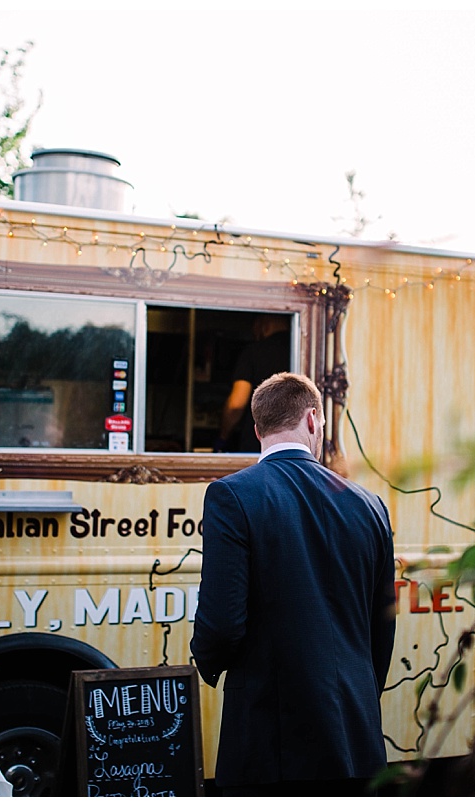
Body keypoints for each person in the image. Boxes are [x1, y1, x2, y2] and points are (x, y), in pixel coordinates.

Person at [191, 372, 396, 796]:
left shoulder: (232, 496)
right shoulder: (370, 505)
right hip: (354, 737)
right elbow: (382, 626)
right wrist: (357, 693)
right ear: (313, 420)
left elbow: (222, 622)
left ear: (257, 430)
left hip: (270, 741)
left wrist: (208, 662)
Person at [216, 314, 291, 452]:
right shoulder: (305, 349)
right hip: (296, 449)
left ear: (263, 324)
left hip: (257, 448)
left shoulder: (254, 352)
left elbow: (236, 405)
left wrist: (223, 437)